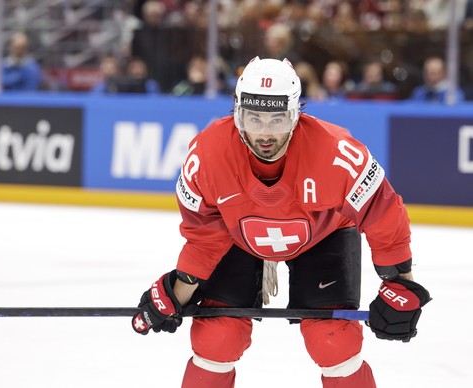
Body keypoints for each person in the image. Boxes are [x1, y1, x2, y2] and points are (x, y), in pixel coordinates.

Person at [131, 57, 431, 388]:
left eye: (277, 119)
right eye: (253, 118)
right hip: (237, 236)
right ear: (237, 113)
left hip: (324, 234)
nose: (264, 133)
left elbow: (383, 213)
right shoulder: (206, 156)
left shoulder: (336, 152)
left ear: (295, 114)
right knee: (216, 338)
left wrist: (401, 284)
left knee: (334, 341)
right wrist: (177, 291)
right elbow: (205, 236)